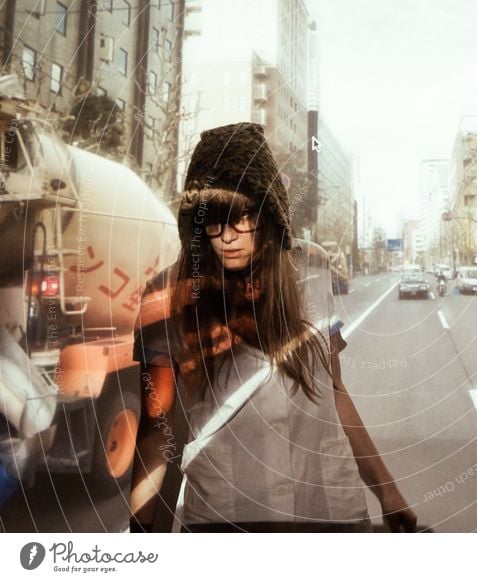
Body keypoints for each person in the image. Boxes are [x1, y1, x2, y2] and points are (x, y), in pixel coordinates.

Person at [129, 123, 416, 533]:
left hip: (329, 515)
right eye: (214, 222)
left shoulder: (312, 268)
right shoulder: (166, 296)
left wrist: (386, 489)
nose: (227, 236)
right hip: (227, 521)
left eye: (241, 217)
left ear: (267, 213)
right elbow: (156, 433)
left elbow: (335, 391)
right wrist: (140, 541)